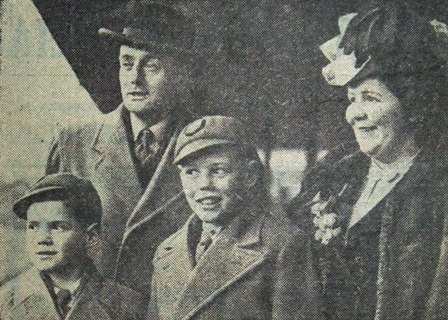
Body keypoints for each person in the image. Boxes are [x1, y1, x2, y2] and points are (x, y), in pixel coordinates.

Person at [288, 3, 448, 320]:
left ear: (413, 106)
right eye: (351, 99)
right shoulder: (332, 173)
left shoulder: (439, 191)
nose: (354, 114)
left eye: (370, 98)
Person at [45, 0, 196, 288]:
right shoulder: (72, 144)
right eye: (127, 63)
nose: (134, 78)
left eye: (151, 66)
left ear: (182, 75)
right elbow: (44, 245)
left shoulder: (208, 145)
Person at [147, 116, 323, 320]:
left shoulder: (283, 244)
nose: (204, 184)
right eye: (191, 172)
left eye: (218, 170)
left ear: (250, 176)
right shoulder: (167, 252)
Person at [0, 173, 145, 320]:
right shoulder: (5, 302)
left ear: (90, 237)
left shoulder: (131, 306)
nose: (42, 239)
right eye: (33, 227)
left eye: (58, 227)